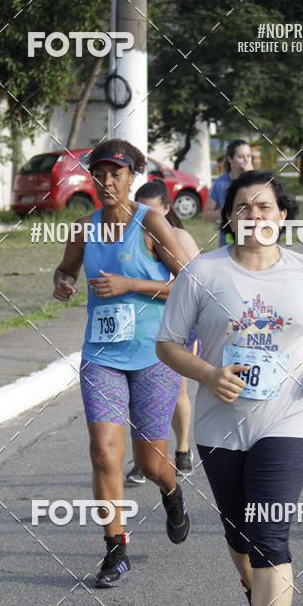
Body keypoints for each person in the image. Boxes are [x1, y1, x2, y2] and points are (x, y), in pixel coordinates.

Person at [156, 169, 303, 606]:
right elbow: (168, 344)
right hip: (219, 426)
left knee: (270, 539)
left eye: (265, 208)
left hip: (287, 422)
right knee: (240, 538)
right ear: (227, 216)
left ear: (282, 217)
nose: (254, 216)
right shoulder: (203, 274)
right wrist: (209, 374)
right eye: (243, 207)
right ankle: (252, 585)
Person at [52, 139, 192, 588]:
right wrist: (63, 283)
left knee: (150, 464)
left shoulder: (150, 222)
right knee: (104, 453)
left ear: (133, 176)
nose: (107, 181)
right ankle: (116, 548)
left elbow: (189, 282)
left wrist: (129, 283)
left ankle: (171, 492)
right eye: (100, 173)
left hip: (154, 354)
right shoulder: (83, 229)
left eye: (117, 173)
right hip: (101, 355)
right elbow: (66, 269)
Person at [125, 179, 200, 484]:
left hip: (182, 325)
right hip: (148, 326)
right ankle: (145, 459)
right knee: (143, 395)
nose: (145, 218)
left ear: (167, 209)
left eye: (152, 211)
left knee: (177, 392)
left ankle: (181, 451)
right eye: (140, 210)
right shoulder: (131, 237)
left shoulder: (180, 237)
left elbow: (193, 284)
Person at [203, 139, 254, 247]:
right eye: (240, 157)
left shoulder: (257, 181)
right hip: (228, 239)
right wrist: (226, 212)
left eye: (248, 156)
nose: (246, 161)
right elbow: (206, 215)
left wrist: (251, 176)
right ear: (230, 159)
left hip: (253, 237)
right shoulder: (220, 183)